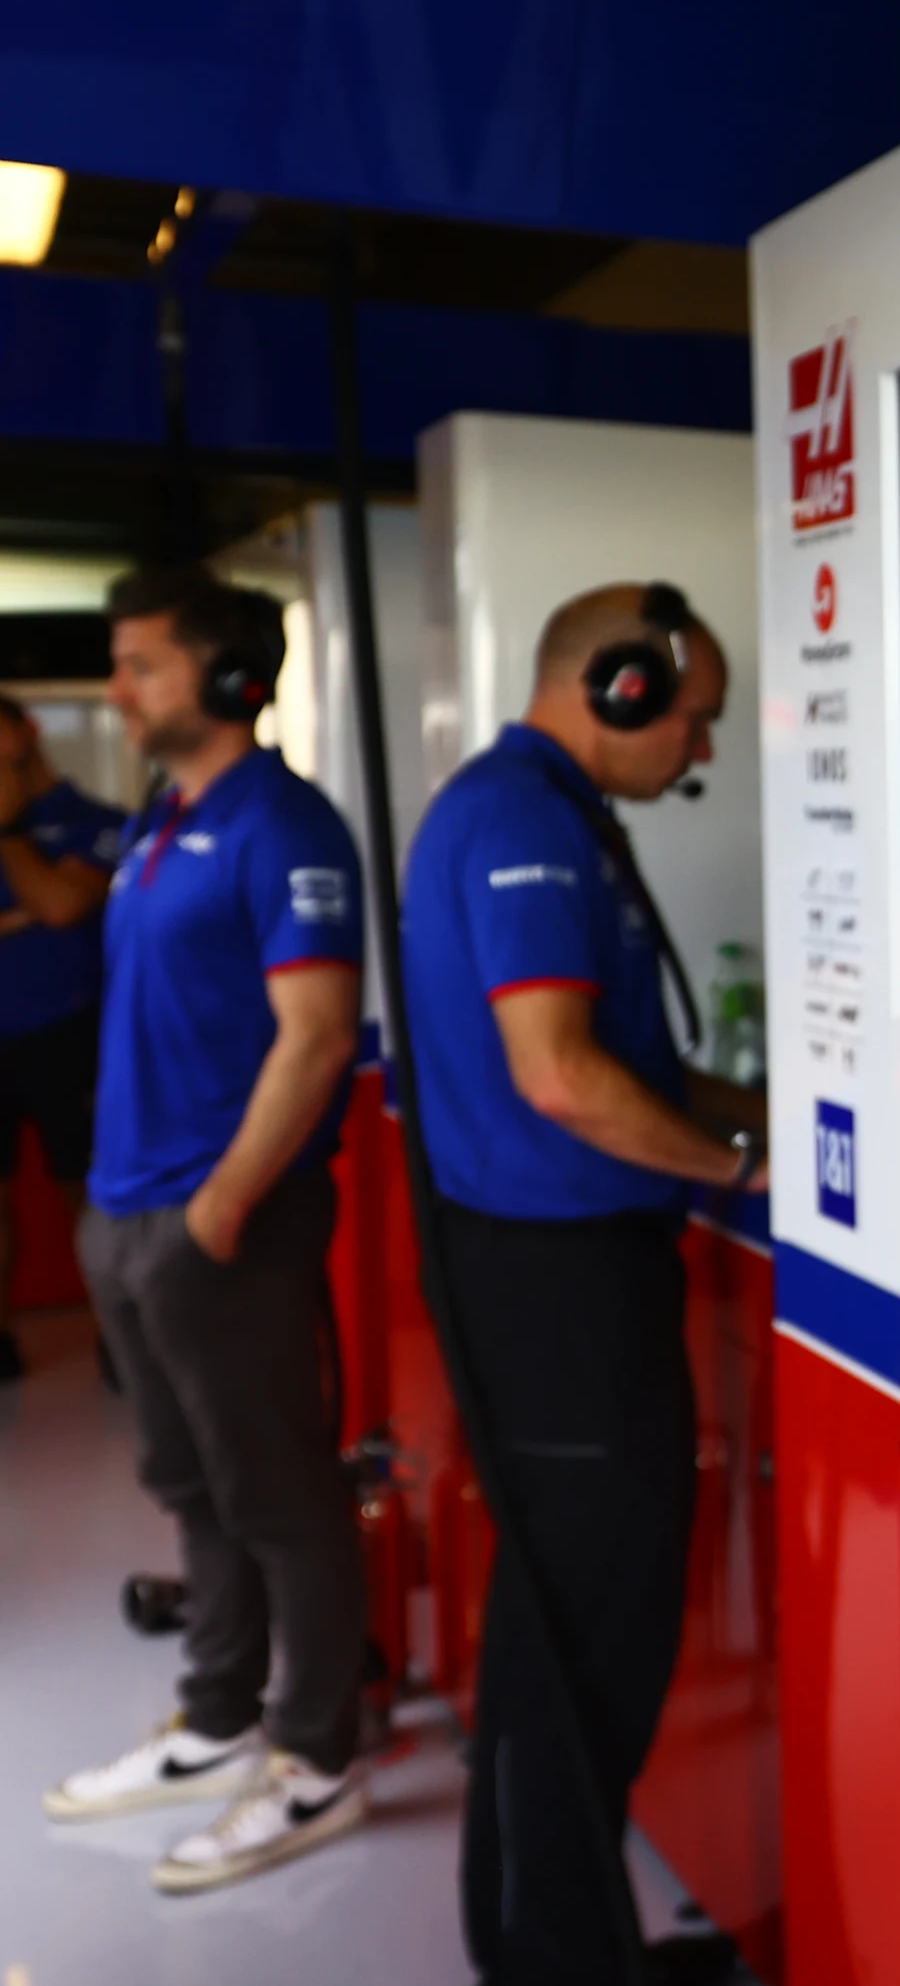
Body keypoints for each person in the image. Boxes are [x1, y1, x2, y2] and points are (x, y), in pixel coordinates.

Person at [399, 581, 763, 1984]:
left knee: (561, 1638)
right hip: (560, 1295)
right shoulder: (519, 822)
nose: (705, 751)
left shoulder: (551, 815)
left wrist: (780, 1123)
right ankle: (560, 1960)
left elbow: (640, 1070)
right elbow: (563, 1078)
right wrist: (731, 1171)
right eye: (697, 717)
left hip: (558, 1284)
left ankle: (548, 1946)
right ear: (619, 688)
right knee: (585, 1646)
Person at [43, 571, 373, 1892]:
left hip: (217, 1219)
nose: (116, 691)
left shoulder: (283, 824)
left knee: (282, 1496)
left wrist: (223, 1202)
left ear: (229, 677)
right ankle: (223, 1717)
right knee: (190, 1485)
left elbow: (317, 1034)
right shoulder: (159, 825)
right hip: (127, 1211)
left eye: (140, 666)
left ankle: (314, 1762)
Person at [0, 691, 126, 1382]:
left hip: (69, 1031)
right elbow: (44, 908)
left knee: (90, 1192)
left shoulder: (94, 820)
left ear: (24, 732)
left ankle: (119, 1340)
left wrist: (8, 829)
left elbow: (61, 903)